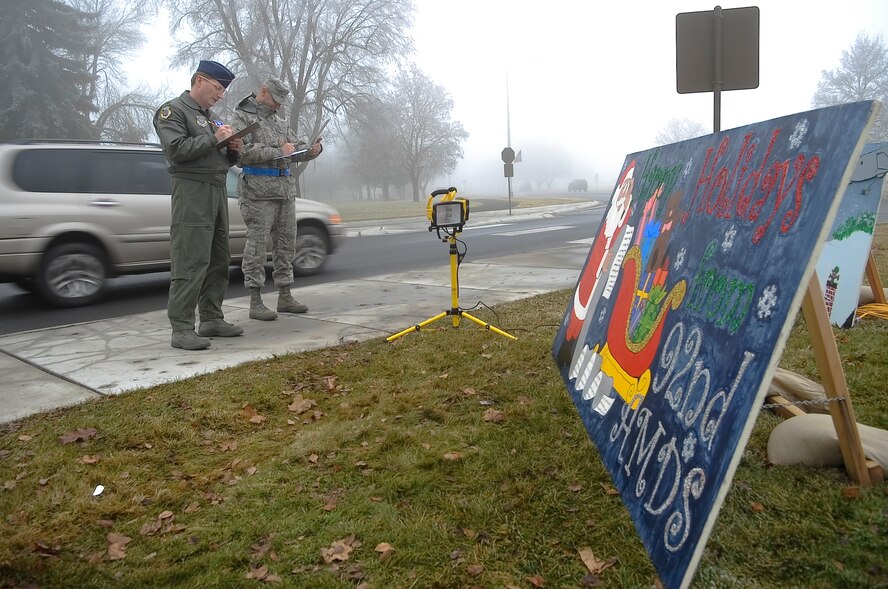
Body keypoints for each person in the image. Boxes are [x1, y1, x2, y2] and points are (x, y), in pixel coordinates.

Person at [153, 60, 245, 350]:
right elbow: (176, 150)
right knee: (191, 259)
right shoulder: (173, 111)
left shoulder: (211, 117)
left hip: (216, 190)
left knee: (218, 259)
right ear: (199, 81)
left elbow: (217, 157)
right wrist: (215, 139)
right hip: (191, 191)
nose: (219, 95)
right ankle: (181, 328)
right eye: (217, 89)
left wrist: (232, 150)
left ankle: (211, 318)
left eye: (222, 91)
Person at [233, 76, 323, 321]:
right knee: (257, 248)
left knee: (286, 245)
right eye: (276, 100)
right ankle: (255, 301)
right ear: (263, 91)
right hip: (258, 194)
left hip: (284, 192)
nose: (279, 106)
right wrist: (278, 151)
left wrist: (312, 151)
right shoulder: (242, 117)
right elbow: (241, 154)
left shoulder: (279, 122)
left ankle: (285, 295)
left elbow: (294, 149)